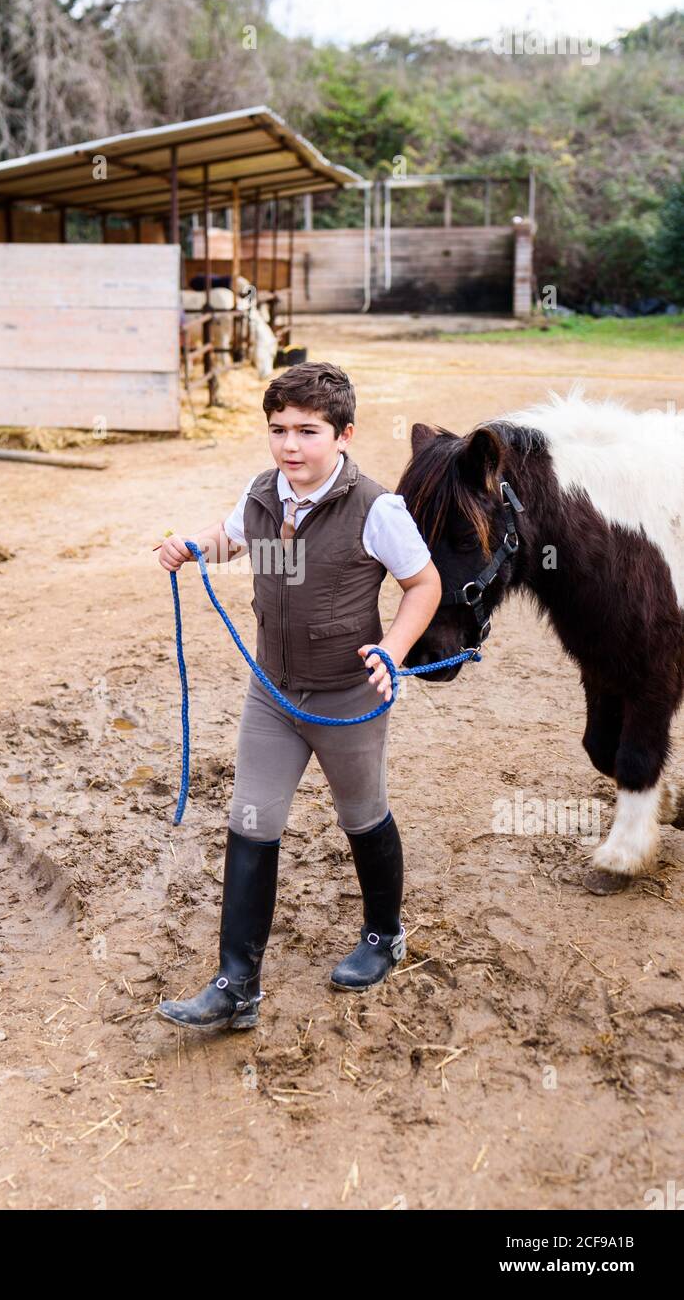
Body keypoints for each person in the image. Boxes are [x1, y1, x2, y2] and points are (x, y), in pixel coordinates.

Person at [155, 362, 441, 1030]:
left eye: (307, 431)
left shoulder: (377, 509)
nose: (290, 445)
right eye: (278, 429)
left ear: (342, 434)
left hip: (345, 696)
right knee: (251, 820)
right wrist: (195, 546)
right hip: (272, 692)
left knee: (361, 814)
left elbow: (422, 585)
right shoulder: (262, 493)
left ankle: (381, 935)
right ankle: (235, 989)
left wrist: (391, 652)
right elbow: (235, 537)